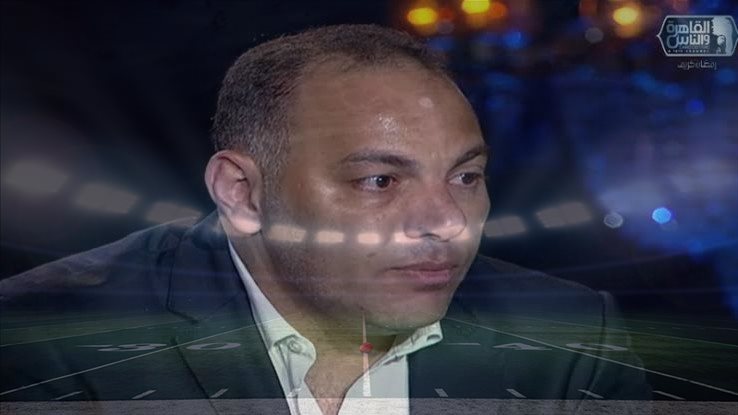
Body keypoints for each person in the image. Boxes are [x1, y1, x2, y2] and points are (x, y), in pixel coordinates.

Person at [0, 24, 650, 414]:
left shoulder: (571, 339)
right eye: (380, 181)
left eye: (465, 177)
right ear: (241, 193)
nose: (446, 222)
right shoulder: (46, 339)